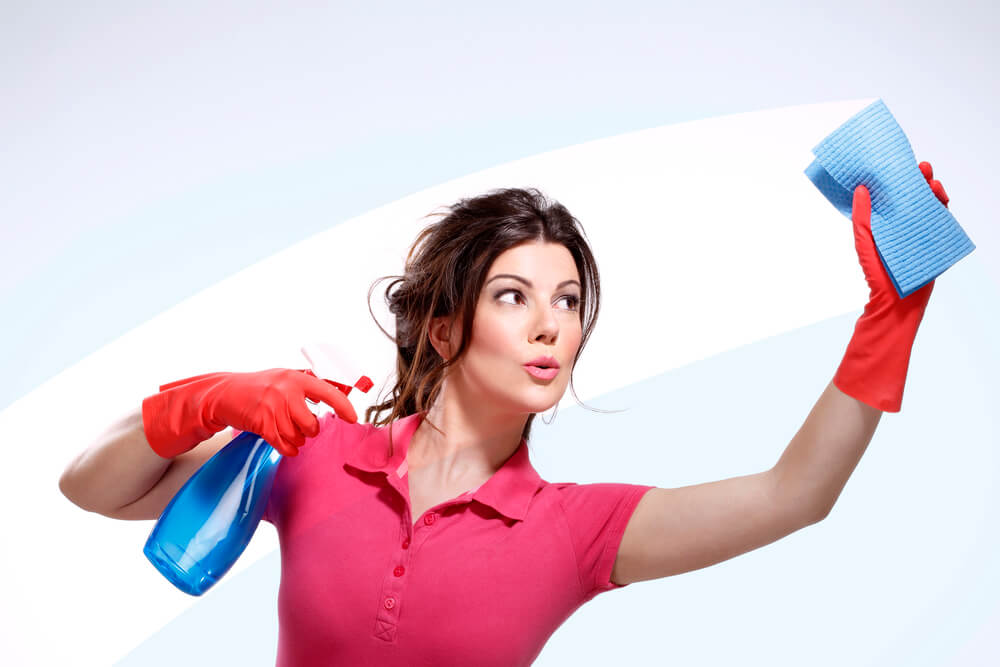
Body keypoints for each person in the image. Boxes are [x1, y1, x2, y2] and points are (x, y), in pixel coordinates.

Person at [59, 164, 950, 665]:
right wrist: (207, 399)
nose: (548, 324)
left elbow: (794, 494)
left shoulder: (575, 529)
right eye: (515, 295)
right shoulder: (316, 450)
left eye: (567, 302)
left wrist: (890, 320)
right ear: (444, 329)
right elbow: (91, 484)